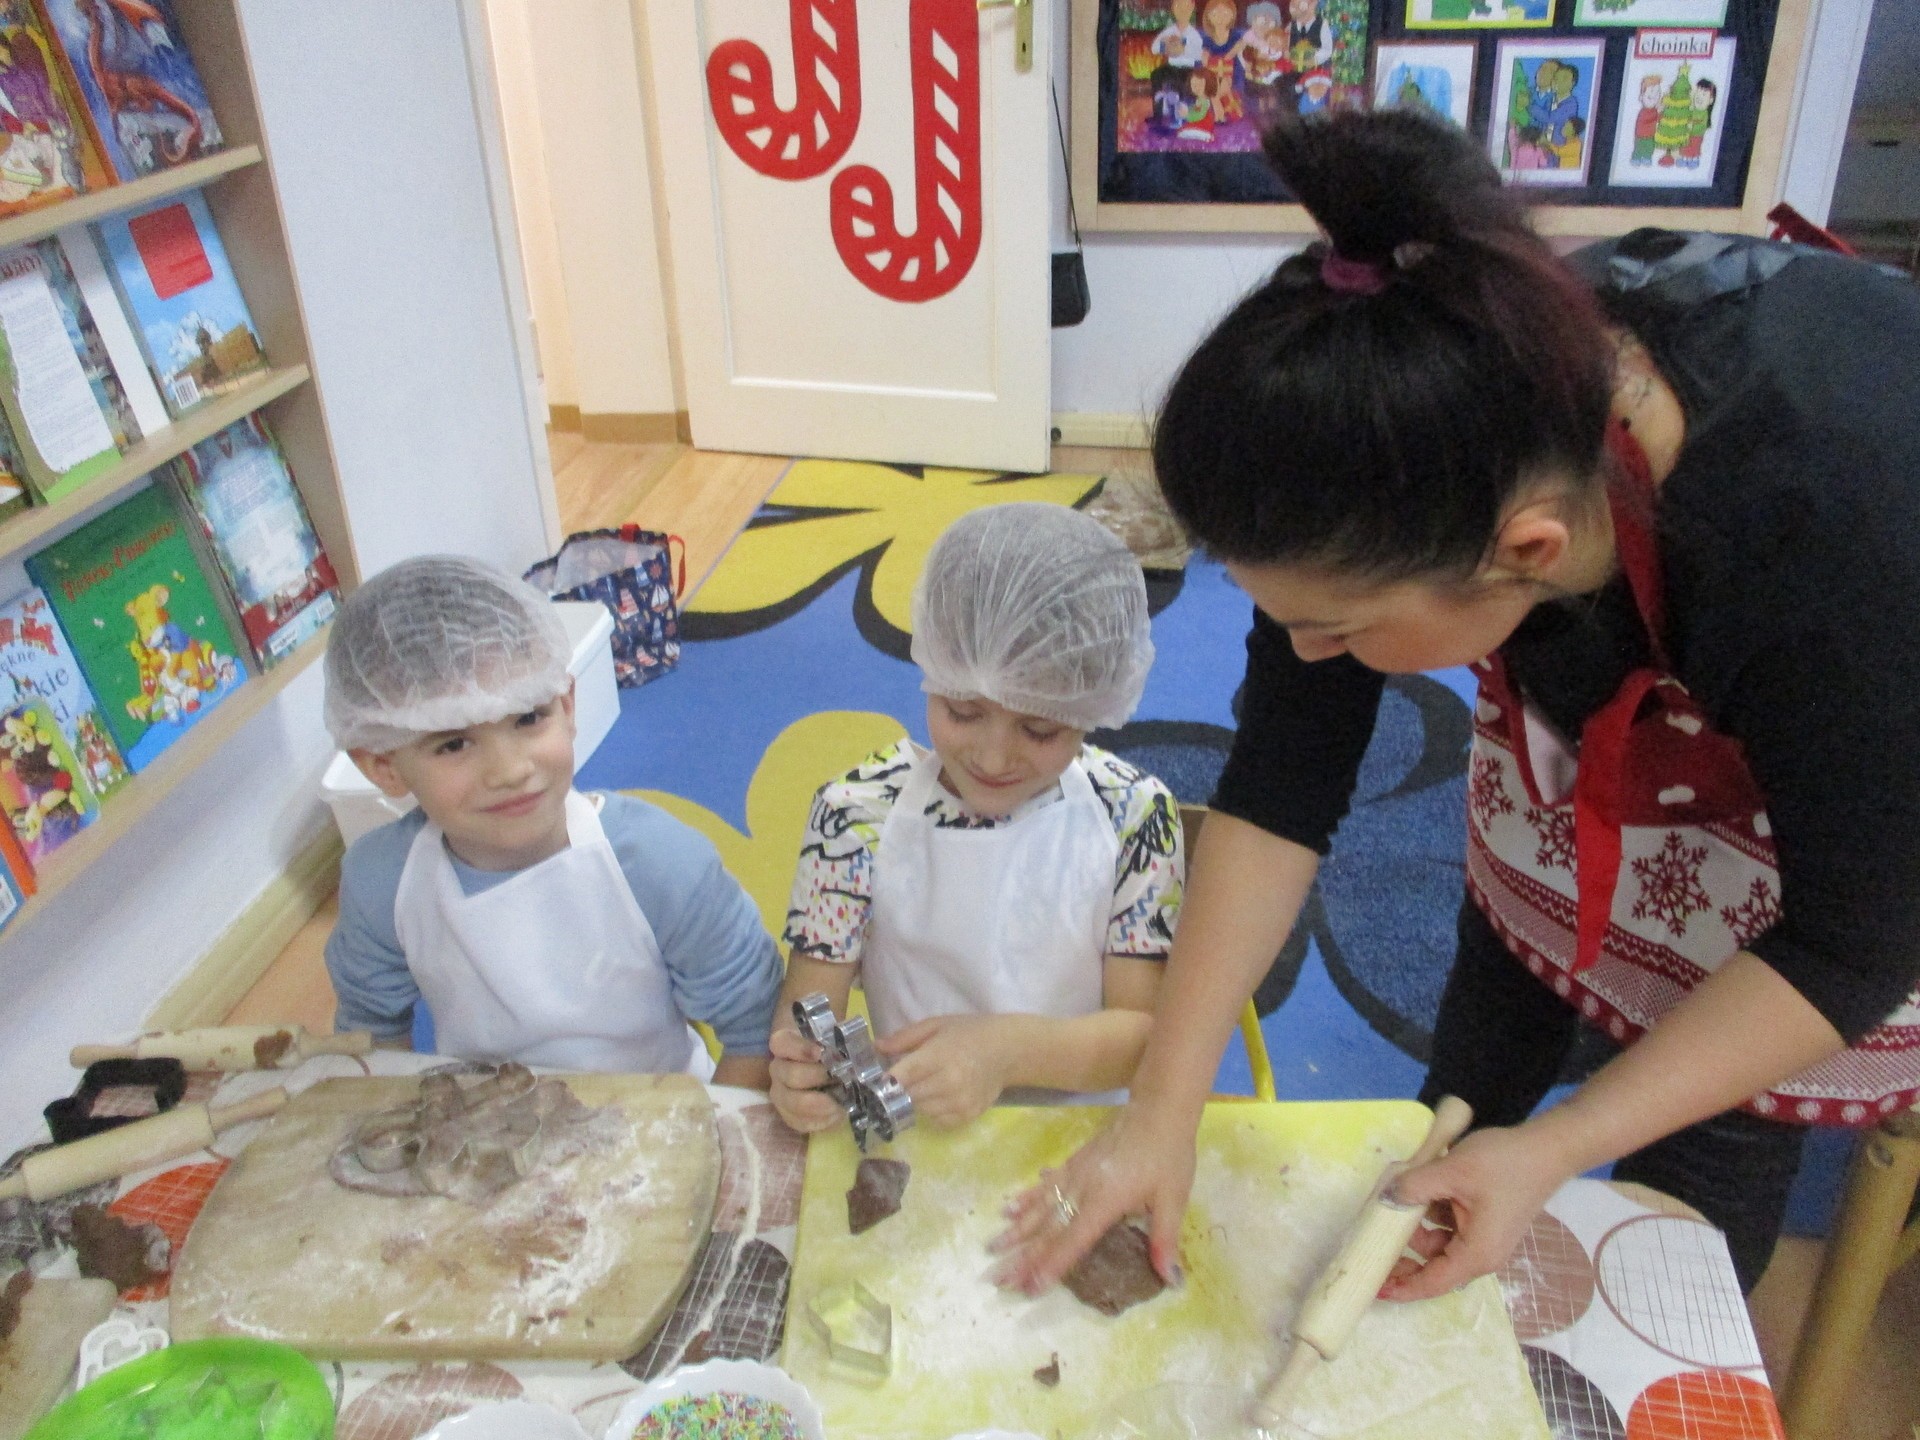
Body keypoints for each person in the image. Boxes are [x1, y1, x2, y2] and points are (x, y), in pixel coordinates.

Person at [992, 108, 1920, 1302]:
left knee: (1694, 1188)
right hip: (1641, 693)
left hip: (1859, 775)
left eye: (1339, 629)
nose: (1308, 655)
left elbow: (1849, 943)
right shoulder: (1427, 406)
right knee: (1490, 1035)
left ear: (1527, 552)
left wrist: (1563, 1146)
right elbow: (1279, 789)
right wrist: (1161, 1108)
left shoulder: (1833, 553)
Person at [770, 504, 1182, 1131]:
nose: (993, 758)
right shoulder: (852, 819)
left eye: (1039, 729)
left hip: (1079, 1129)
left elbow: (1143, 1042)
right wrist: (799, 1075)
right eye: (963, 713)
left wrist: (1005, 1051)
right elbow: (807, 1013)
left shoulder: (1134, 816)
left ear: (1092, 707)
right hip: (916, 1129)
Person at [323, 555, 780, 1084]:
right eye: (453, 744)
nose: (510, 770)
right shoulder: (382, 882)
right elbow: (370, 1037)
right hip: (489, 1119)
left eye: (528, 717)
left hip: (670, 1114)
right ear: (382, 765)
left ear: (567, 705)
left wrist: (706, 1132)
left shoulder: (662, 864)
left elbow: (757, 1028)